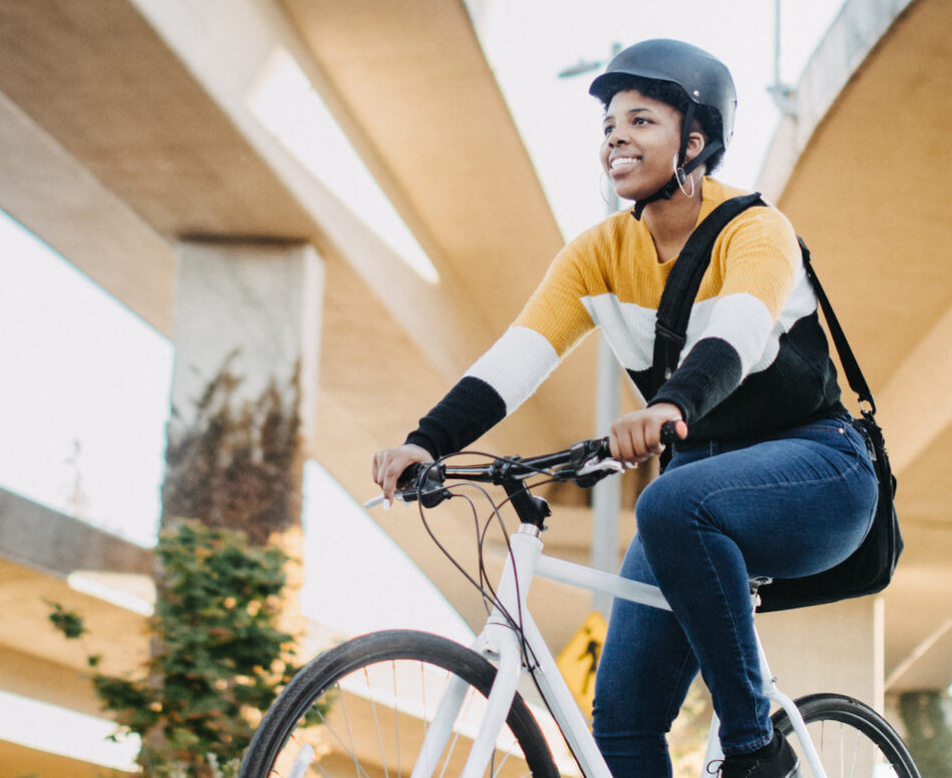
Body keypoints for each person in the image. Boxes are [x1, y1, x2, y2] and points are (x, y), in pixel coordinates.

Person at [371, 39, 877, 778]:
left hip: (822, 471)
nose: (616, 136)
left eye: (641, 121)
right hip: (700, 485)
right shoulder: (597, 253)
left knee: (670, 504)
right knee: (622, 723)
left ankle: (754, 751)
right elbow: (520, 356)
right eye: (610, 124)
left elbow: (733, 335)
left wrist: (671, 404)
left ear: (695, 142)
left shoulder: (756, 231)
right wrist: (428, 442)